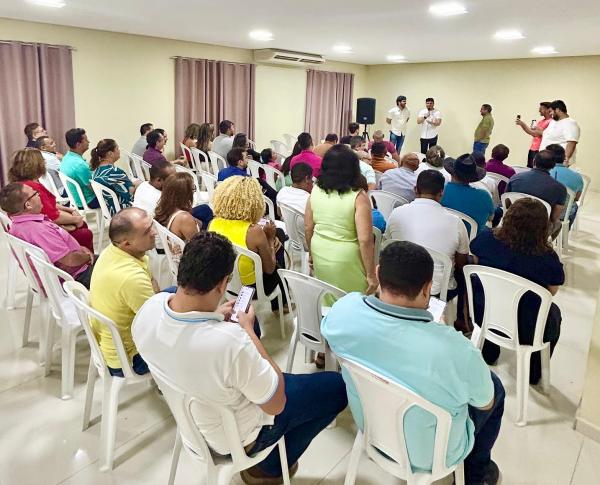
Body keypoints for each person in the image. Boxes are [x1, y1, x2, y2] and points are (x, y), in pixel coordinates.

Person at [131, 231, 347, 483]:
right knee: (337, 387)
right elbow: (276, 403)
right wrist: (246, 330)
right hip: (237, 438)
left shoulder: (149, 310)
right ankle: (269, 468)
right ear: (223, 284)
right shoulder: (230, 343)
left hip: (192, 423)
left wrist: (216, 317)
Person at [322, 241, 504, 485]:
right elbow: (485, 403)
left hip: (371, 427)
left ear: (378, 273)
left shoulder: (342, 312)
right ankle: (476, 474)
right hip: (435, 455)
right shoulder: (454, 349)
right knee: (496, 388)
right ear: (428, 288)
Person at [471, 198, 564, 385]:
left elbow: (473, 262)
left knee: (494, 296)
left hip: (484, 313)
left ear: (508, 217)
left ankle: (488, 352)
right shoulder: (547, 257)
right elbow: (551, 292)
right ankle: (534, 372)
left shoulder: (486, 239)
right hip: (528, 327)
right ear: (542, 227)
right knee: (554, 313)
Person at [89, 207, 157, 377]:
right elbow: (158, 325)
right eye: (147, 231)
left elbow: (152, 284)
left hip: (110, 344)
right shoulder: (131, 278)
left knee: (176, 294)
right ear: (127, 243)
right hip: (129, 358)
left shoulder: (111, 251)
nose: (155, 232)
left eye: (152, 225)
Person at [305, 145, 377, 297]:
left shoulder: (316, 189)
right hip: (346, 259)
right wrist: (371, 275)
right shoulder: (358, 196)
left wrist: (311, 254)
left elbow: (308, 227)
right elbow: (365, 240)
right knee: (353, 303)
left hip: (320, 252)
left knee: (327, 299)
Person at [386, 170, 470, 300]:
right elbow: (461, 263)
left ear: (415, 189)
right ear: (441, 192)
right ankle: (459, 317)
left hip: (397, 283)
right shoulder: (456, 222)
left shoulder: (396, 213)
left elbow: (388, 245)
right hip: (436, 291)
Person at [209, 176, 287, 311]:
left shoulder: (213, 223)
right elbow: (269, 269)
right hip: (252, 289)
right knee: (278, 237)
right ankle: (281, 301)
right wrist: (269, 239)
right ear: (254, 202)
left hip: (224, 281)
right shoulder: (254, 232)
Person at [0, 182, 95, 288]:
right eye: (35, 193)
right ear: (28, 205)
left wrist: (80, 248)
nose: (39, 195)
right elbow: (70, 260)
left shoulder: (19, 224)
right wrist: (87, 257)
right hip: (74, 278)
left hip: (66, 273)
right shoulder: (38, 230)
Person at [8, 149, 94, 251]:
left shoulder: (18, 185)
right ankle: (87, 262)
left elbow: (49, 204)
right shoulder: (31, 187)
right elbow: (53, 216)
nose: (44, 163)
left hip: (37, 228)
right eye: (42, 161)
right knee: (85, 232)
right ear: (36, 166)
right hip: (45, 230)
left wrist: (71, 211)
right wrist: (76, 219)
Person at [506, 150, 566, 238]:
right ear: (553, 166)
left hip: (512, 221)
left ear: (534, 161)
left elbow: (506, 203)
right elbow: (553, 217)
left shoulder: (515, 178)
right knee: (558, 224)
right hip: (538, 230)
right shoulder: (560, 189)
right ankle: (543, 246)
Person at [441, 155, 494, 235]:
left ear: (451, 172)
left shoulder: (439, 191)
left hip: (443, 236)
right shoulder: (484, 196)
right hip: (473, 242)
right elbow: (491, 218)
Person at [91, 139, 137, 215]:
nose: (119, 151)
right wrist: (137, 184)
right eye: (117, 149)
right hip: (122, 210)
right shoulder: (114, 172)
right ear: (110, 153)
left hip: (109, 209)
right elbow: (130, 194)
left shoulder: (96, 170)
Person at [155, 172, 203, 242]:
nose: (193, 192)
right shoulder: (184, 218)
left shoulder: (163, 209)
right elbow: (199, 246)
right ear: (185, 194)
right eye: (193, 189)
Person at [60, 127, 99, 209]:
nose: (89, 142)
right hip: (87, 200)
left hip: (74, 197)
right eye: (86, 140)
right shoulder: (79, 165)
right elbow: (93, 188)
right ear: (78, 144)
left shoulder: (67, 157)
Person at [547, 143, 584, 227]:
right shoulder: (577, 177)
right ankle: (564, 234)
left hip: (542, 212)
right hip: (562, 216)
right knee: (574, 206)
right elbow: (576, 198)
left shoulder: (543, 173)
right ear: (564, 158)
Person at [540, 100, 580, 165]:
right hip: (546, 162)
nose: (550, 113)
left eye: (551, 111)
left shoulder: (570, 123)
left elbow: (571, 143)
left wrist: (565, 160)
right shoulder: (553, 122)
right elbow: (548, 136)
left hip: (558, 163)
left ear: (558, 110)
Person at [516, 102, 552, 168]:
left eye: (541, 109)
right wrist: (522, 124)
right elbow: (532, 132)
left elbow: (536, 134)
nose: (539, 110)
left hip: (540, 150)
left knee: (536, 168)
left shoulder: (551, 122)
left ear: (548, 110)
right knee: (529, 167)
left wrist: (523, 124)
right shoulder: (541, 121)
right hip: (533, 148)